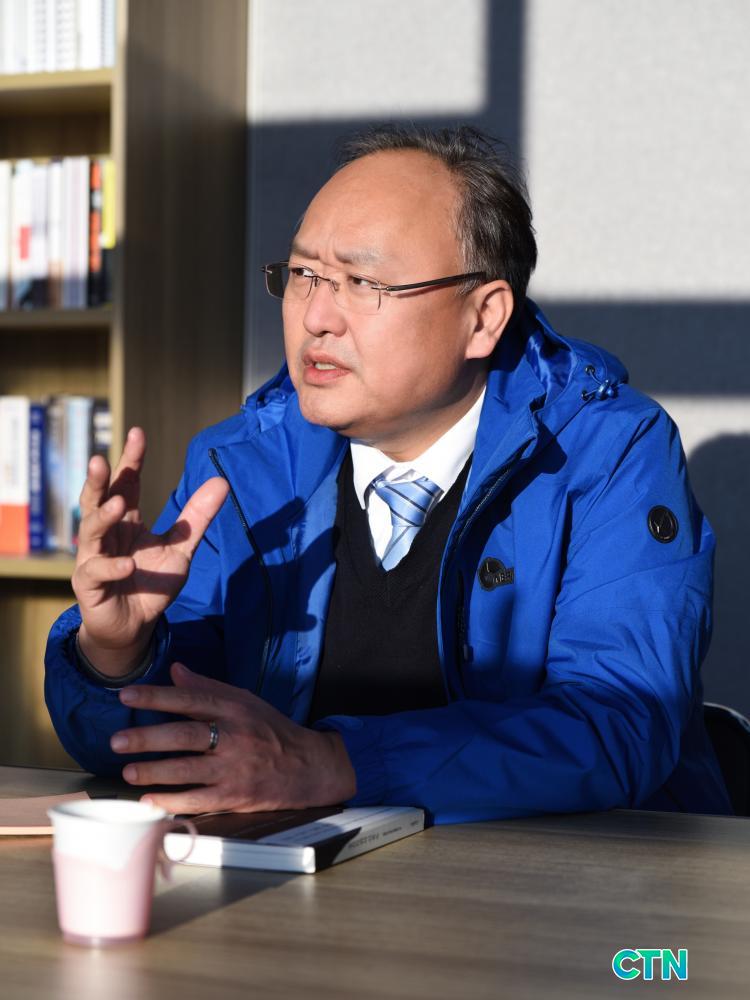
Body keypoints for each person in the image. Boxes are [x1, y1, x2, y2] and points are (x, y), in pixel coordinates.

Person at [45, 124, 732, 822]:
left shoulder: (608, 452)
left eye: (363, 282)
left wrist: (335, 764)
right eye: (304, 274)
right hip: (300, 871)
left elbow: (620, 724)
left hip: (555, 878)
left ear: (483, 318)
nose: (316, 317)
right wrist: (117, 654)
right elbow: (149, 746)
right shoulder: (244, 464)